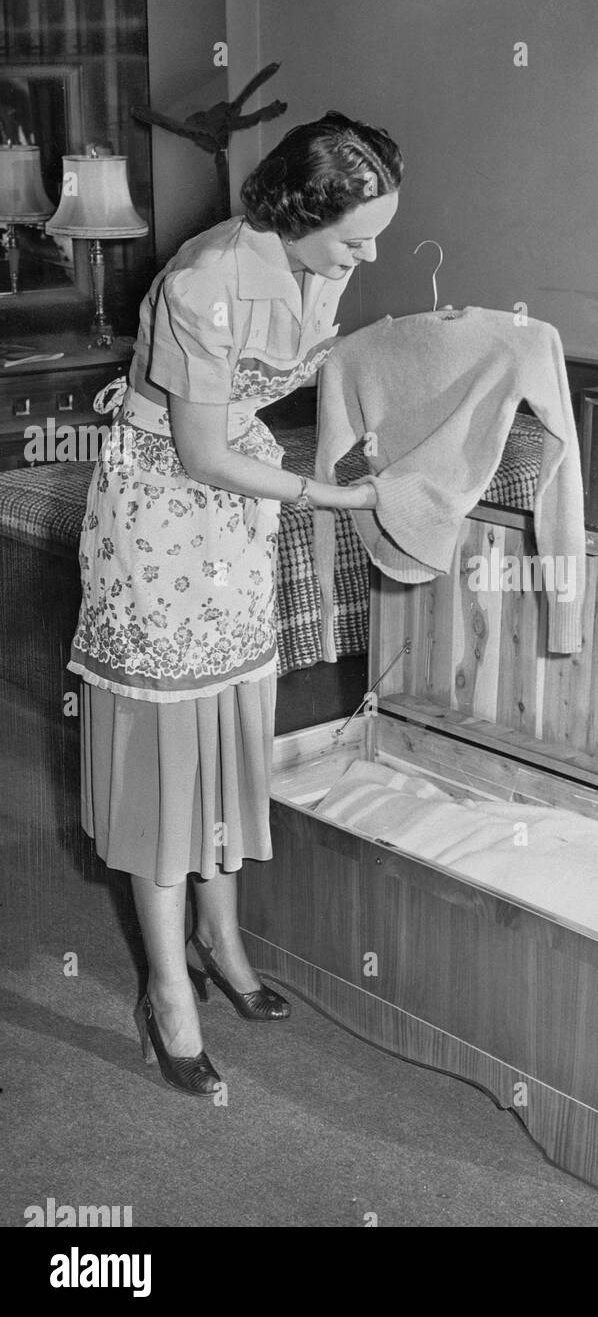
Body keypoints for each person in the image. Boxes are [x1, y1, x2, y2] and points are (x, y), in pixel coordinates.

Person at [70, 112, 402, 1095]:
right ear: (301, 209)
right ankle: (167, 993)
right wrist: (326, 495)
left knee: (227, 736)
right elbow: (203, 450)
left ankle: (221, 937)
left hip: (235, 520)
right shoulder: (203, 280)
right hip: (166, 518)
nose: (368, 253)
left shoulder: (322, 265)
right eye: (355, 236)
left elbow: (305, 375)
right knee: (168, 763)